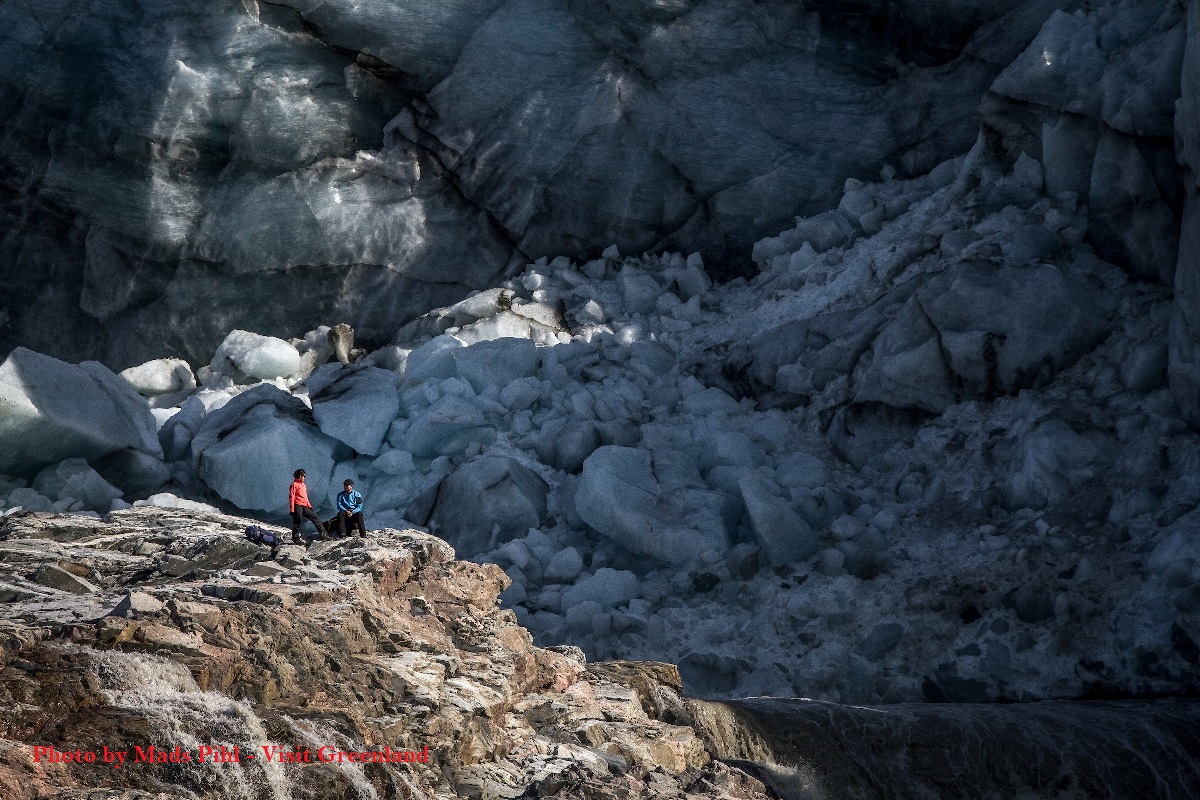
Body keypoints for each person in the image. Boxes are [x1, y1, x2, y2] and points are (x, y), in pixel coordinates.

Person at [289, 468, 326, 545]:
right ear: (300, 476)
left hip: (305, 505)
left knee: (315, 517)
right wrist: (292, 509)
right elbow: (291, 497)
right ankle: (295, 538)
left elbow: (305, 497)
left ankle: (323, 533)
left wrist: (309, 506)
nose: (305, 478)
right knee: (297, 520)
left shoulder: (303, 485)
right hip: (297, 505)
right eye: (304, 476)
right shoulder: (294, 485)